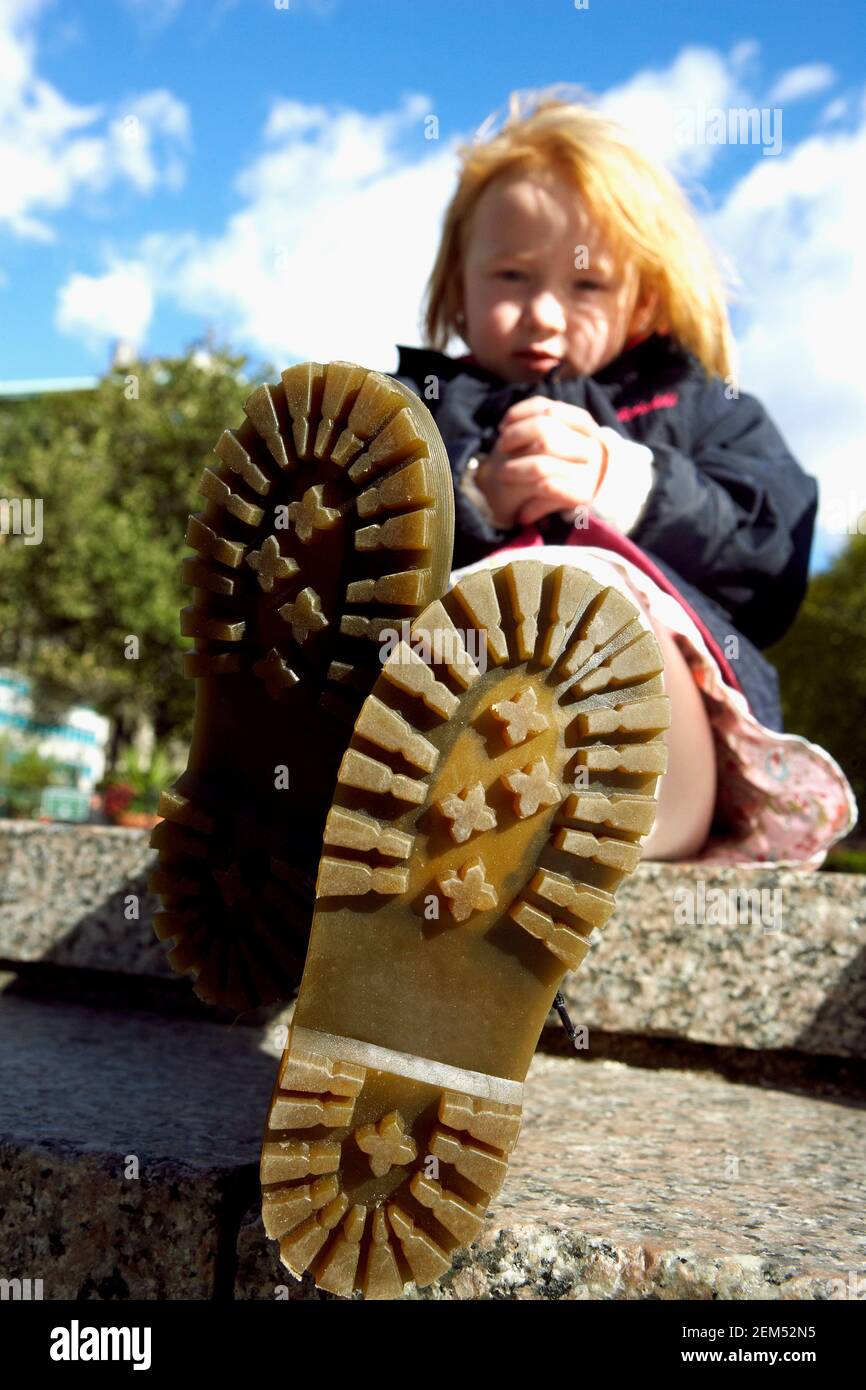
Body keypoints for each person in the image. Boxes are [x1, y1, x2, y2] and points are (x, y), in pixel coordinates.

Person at [389, 87, 857, 868]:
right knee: (441, 599)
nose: (543, 314)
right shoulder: (420, 414)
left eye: (585, 286)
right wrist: (469, 500)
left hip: (656, 743)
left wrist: (633, 488)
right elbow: (352, 548)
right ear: (457, 291)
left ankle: (580, 832)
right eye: (510, 277)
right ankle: (386, 810)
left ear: (641, 299)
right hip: (437, 711)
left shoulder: (698, 407)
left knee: (582, 595)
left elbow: (773, 555)